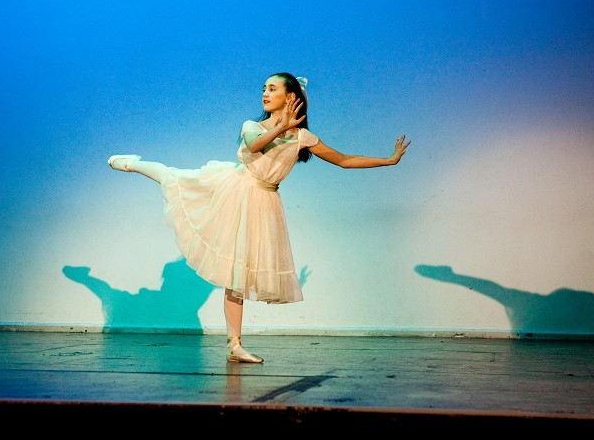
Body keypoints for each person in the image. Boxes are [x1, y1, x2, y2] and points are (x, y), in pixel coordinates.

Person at [108, 72, 411, 363]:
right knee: (174, 178)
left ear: (290, 97)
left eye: (272, 89)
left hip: (264, 202)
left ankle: (234, 346)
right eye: (264, 88)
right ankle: (133, 163)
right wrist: (282, 127)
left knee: (237, 276)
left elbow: (344, 160)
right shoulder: (251, 125)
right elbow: (256, 144)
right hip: (235, 189)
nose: (265, 93)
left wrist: (389, 160)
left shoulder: (303, 137)